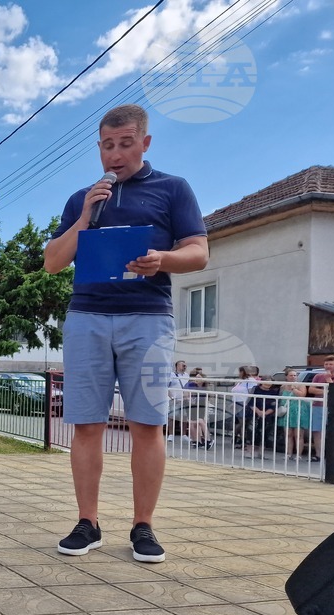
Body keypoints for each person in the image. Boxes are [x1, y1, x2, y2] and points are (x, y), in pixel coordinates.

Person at [44, 104, 209, 564]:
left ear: (145, 143)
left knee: (147, 424)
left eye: (125, 144)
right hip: (87, 317)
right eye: (107, 146)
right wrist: (84, 217)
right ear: (99, 148)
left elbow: (199, 253)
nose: (115, 154)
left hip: (148, 318)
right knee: (86, 424)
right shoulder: (81, 199)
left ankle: (143, 526)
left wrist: (162, 259)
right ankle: (87, 522)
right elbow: (53, 262)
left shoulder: (173, 189)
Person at [308, 354, 334, 463]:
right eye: (326, 364)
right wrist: (326, 390)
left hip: (332, 408)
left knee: (333, 431)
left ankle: (333, 456)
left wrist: (328, 379)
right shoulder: (317, 376)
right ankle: (319, 455)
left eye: (331, 364)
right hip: (318, 406)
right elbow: (311, 390)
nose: (328, 366)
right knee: (317, 431)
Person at [278, 367, 311, 460]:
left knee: (298, 435)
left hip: (298, 411)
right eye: (291, 375)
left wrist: (294, 389)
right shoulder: (283, 386)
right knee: (288, 434)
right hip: (287, 411)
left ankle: (298, 454)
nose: (293, 377)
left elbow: (302, 395)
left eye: (295, 375)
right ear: (286, 377)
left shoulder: (301, 385)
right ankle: (288, 453)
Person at [244, 376, 281, 457]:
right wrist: (258, 412)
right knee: (251, 432)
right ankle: (249, 451)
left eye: (270, 382)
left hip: (267, 415)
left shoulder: (274, 391)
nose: (268, 384)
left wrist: (265, 413)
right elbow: (250, 402)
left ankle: (260, 452)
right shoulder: (255, 389)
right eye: (266, 382)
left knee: (264, 433)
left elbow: (274, 404)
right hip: (253, 413)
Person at [183, 368, 213, 449]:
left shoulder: (205, 388)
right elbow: (186, 394)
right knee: (192, 423)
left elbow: (207, 398)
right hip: (191, 405)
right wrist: (189, 399)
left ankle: (208, 440)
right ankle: (197, 441)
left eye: (199, 377)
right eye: (196, 377)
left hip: (201, 406)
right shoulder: (191, 385)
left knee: (200, 421)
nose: (196, 379)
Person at [230, 366, 258, 448]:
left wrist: (247, 403)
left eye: (240, 372)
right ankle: (237, 437)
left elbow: (251, 393)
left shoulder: (250, 381)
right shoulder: (240, 381)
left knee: (243, 423)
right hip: (237, 403)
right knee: (240, 423)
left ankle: (242, 440)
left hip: (244, 403)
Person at [167, 360, 189, 441]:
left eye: (185, 365)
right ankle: (171, 435)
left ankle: (183, 435)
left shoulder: (187, 375)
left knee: (184, 417)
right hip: (175, 400)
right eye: (183, 365)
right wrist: (172, 398)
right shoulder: (172, 375)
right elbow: (167, 387)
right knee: (172, 417)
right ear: (177, 366)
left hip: (184, 400)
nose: (185, 366)